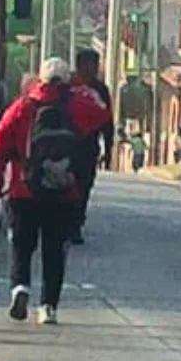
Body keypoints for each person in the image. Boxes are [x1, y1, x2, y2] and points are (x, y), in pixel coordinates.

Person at [0, 57, 111, 324]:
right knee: (54, 249)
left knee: (21, 245)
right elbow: (103, 113)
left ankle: (20, 288)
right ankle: (48, 306)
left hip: (23, 188)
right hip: (63, 189)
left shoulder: (22, 107)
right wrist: (81, 89)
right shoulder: (79, 105)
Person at [69, 49, 113, 245]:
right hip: (66, 144)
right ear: (78, 65)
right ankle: (63, 222)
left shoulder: (101, 89)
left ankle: (76, 223)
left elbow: (107, 121)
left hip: (88, 146)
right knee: (66, 183)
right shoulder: (67, 86)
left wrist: (109, 149)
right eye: (88, 64)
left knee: (84, 185)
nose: (92, 69)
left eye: (95, 65)